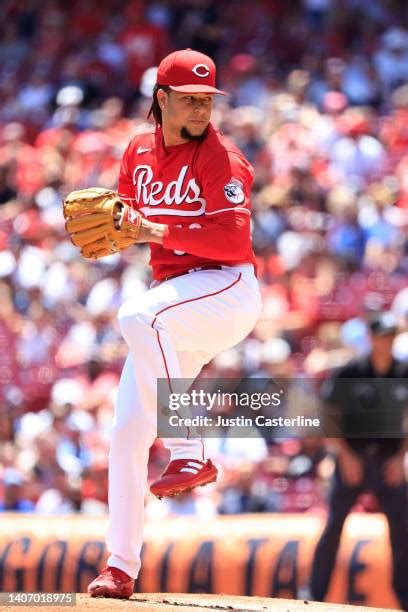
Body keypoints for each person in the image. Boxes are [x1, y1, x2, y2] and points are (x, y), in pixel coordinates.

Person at [87, 49, 262, 598]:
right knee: (126, 433)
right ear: (161, 100)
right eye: (190, 100)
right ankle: (119, 566)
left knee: (137, 314)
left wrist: (153, 231)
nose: (202, 110)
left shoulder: (222, 158)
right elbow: (124, 224)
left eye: (208, 100)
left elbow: (234, 240)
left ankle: (191, 448)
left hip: (226, 289)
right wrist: (117, 229)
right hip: (177, 302)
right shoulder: (138, 151)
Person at [309, 312, 408, 610]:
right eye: (381, 336)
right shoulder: (350, 371)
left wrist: (401, 457)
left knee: (402, 529)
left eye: (391, 336)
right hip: (353, 457)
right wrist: (345, 455)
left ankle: (404, 596)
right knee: (334, 525)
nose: (386, 342)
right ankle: (314, 595)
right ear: (371, 338)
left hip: (388, 460)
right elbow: (328, 415)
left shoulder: (403, 371)